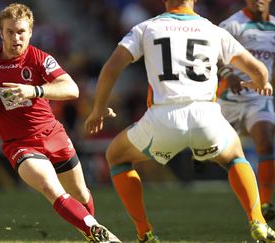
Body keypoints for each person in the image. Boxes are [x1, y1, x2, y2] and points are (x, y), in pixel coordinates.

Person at [84, 0, 274, 242]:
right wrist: (262, 83)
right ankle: (257, 220)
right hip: (206, 116)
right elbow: (258, 70)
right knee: (235, 157)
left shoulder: (146, 28)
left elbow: (112, 67)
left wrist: (98, 108)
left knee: (117, 156)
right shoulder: (213, 30)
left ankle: (145, 233)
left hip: (164, 118)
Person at [0, 3, 120, 243]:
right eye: (10, 32)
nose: (16, 37)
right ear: (0, 33)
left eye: (21, 32)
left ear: (30, 32)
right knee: (51, 188)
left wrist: (34, 90)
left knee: (80, 194)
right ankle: (95, 231)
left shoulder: (40, 58)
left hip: (53, 135)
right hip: (19, 145)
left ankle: (91, 229)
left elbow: (72, 89)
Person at [217, 0, 275, 221]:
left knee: (266, 142)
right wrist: (227, 74)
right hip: (228, 99)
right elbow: (211, 53)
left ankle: (267, 203)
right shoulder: (232, 25)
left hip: (258, 98)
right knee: (213, 151)